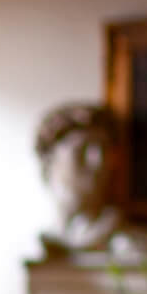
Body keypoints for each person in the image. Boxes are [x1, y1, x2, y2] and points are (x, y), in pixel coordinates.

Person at [33, 101, 121, 253]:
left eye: (104, 150)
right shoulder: (38, 237)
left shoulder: (118, 237)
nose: (98, 162)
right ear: (51, 161)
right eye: (81, 150)